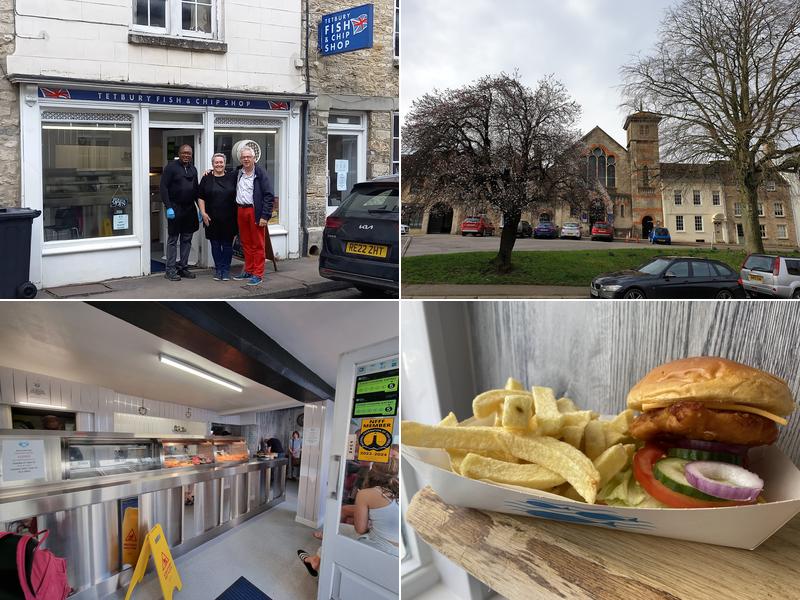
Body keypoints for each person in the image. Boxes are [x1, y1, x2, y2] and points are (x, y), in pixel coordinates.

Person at [297, 470, 399, 577]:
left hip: (382, 547)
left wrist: (367, 523)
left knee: (336, 532)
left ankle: (317, 560)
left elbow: (360, 529)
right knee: (338, 528)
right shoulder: (397, 492)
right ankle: (318, 557)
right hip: (397, 549)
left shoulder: (367, 494)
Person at [232, 146, 274, 286]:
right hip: (241, 210)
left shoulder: (260, 173)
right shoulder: (239, 172)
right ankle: (248, 270)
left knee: (258, 244)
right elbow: (223, 176)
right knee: (246, 243)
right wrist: (210, 171)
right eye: (243, 157)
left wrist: (265, 216)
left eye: (248, 157)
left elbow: (269, 195)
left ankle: (258, 274)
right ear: (240, 159)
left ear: (254, 158)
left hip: (255, 211)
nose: (246, 159)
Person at [160, 144, 200, 281]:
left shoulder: (193, 169)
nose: (186, 155)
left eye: (189, 153)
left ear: (191, 155)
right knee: (173, 239)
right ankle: (170, 270)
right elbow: (163, 188)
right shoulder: (171, 168)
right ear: (179, 153)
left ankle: (183, 268)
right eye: (184, 153)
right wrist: (168, 207)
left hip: (189, 209)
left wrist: (200, 209)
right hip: (175, 208)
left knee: (187, 239)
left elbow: (196, 190)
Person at [198, 153, 238, 281]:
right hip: (211, 217)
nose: (219, 164)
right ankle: (218, 269)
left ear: (225, 164)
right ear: (212, 164)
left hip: (229, 218)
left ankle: (225, 271)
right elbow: (201, 197)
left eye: (221, 162)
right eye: (216, 162)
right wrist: (203, 213)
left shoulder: (232, 177)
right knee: (215, 245)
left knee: (227, 245)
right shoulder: (206, 178)